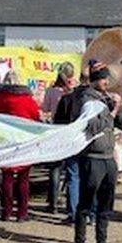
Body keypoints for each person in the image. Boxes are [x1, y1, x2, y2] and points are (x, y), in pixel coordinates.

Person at [72, 61, 122, 243]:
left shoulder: (105, 99)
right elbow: (92, 127)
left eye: (107, 79)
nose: (107, 82)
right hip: (92, 158)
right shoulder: (86, 100)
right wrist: (111, 111)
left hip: (108, 157)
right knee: (85, 204)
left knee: (106, 204)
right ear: (95, 80)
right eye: (104, 79)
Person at [0, 71, 41, 221]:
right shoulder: (27, 99)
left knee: (7, 176)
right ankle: (22, 212)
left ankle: (6, 211)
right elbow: (35, 116)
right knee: (23, 178)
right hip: (23, 139)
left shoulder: (0, 97)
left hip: (5, 138)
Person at [52, 73, 86, 222]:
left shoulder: (66, 99)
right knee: (87, 178)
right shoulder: (91, 100)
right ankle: (88, 213)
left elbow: (58, 122)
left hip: (71, 142)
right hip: (86, 142)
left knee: (73, 177)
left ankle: (73, 213)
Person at [44, 64, 77, 214]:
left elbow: (45, 109)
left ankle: (53, 202)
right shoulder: (73, 93)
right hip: (70, 130)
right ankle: (71, 204)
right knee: (71, 169)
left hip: (55, 129)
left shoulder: (51, 91)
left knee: (55, 168)